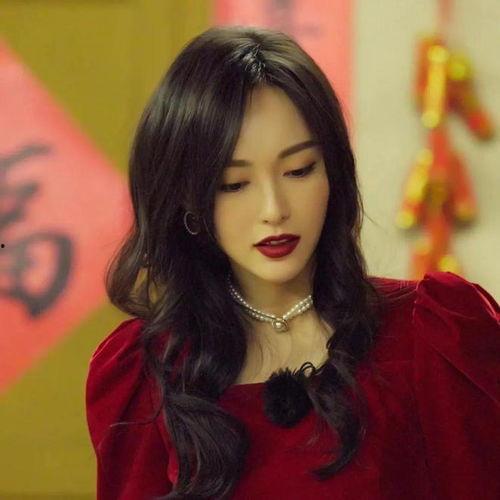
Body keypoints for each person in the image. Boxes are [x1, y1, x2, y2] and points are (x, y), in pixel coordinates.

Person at [85, 25, 500, 500]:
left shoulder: (435, 337)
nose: (274, 209)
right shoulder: (145, 374)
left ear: (334, 173)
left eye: (299, 170)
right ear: (188, 201)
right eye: (234, 184)